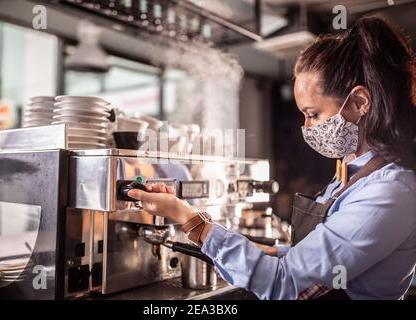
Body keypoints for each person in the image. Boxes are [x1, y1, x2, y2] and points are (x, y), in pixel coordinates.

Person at [127, 16, 416, 300]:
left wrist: (187, 217)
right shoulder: (352, 174)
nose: (307, 128)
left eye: (313, 114)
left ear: (359, 102)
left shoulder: (388, 192)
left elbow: (285, 284)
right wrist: (271, 252)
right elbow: (314, 260)